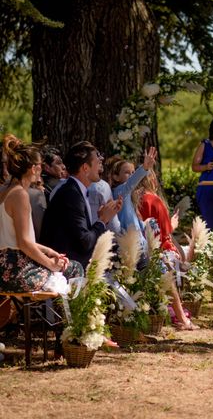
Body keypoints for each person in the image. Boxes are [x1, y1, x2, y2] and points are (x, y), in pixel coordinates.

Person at [0, 134, 83, 292]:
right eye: (40, 164)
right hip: (16, 272)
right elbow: (24, 243)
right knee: (75, 268)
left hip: (6, 267)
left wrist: (48, 251)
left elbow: (14, 240)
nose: (41, 168)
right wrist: (50, 263)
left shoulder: (4, 192)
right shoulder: (19, 195)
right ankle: (67, 318)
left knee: (62, 263)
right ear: (33, 168)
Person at [40, 141, 122, 269]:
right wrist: (102, 220)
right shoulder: (71, 194)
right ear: (85, 168)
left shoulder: (76, 190)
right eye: (97, 162)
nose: (100, 164)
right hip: (66, 271)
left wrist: (102, 217)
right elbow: (84, 242)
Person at [136, 170, 199, 330]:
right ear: (151, 180)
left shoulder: (135, 199)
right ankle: (180, 313)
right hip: (160, 250)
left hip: (142, 249)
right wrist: (173, 224)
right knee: (188, 256)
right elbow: (165, 233)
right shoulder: (155, 200)